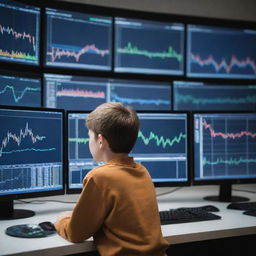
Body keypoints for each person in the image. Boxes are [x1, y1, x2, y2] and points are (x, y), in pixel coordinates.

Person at [54, 102, 169, 256]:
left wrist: (62, 220)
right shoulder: (143, 172)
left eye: (89, 136)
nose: (89, 142)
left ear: (101, 141)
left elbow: (76, 234)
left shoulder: (99, 177)